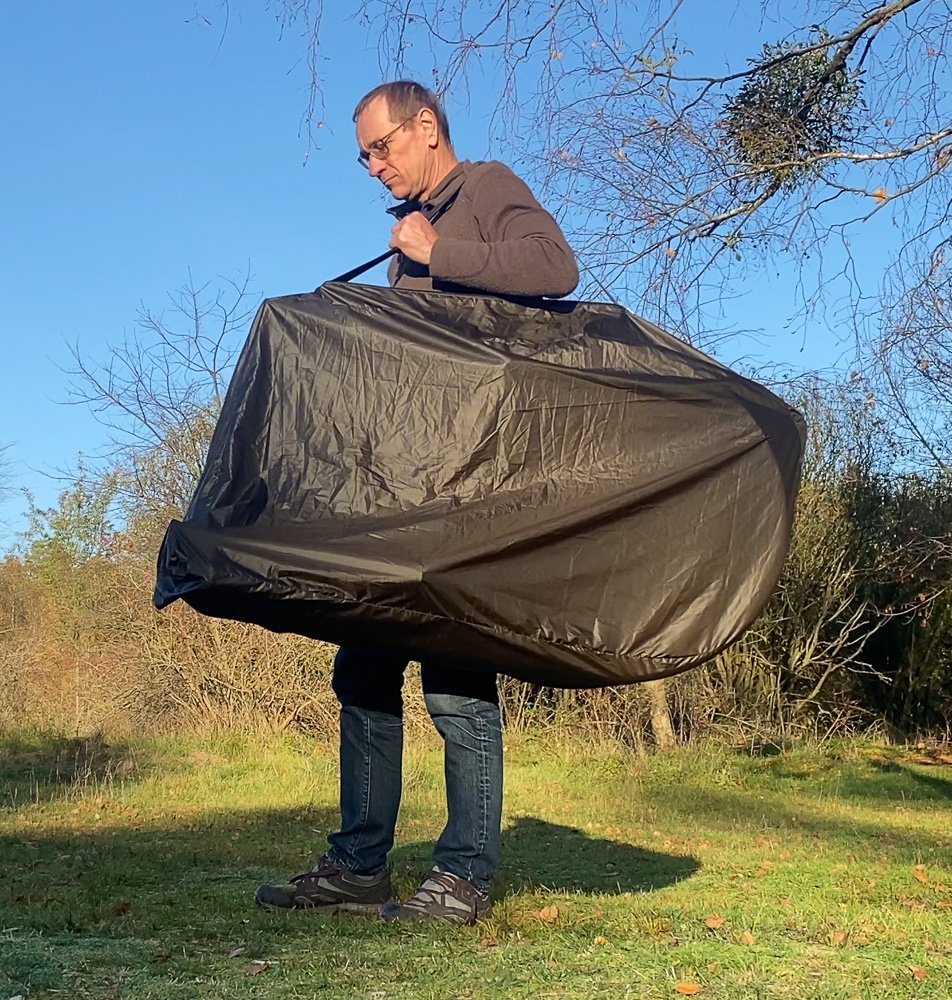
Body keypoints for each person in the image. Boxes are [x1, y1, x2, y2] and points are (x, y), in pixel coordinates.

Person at [255, 80, 578, 924]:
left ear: (426, 126)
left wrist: (441, 251)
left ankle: (463, 876)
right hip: (400, 492)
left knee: (455, 677)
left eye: (381, 146)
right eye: (363, 155)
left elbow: (555, 267)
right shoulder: (410, 237)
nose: (373, 166)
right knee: (363, 667)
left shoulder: (486, 188)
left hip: (470, 493)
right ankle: (358, 869)